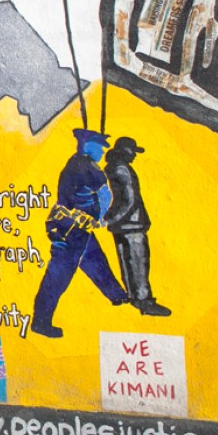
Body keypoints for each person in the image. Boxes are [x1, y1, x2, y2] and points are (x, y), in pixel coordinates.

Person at [31, 129, 130, 339]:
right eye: (100, 147)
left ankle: (118, 297)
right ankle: (40, 323)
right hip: (71, 229)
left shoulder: (77, 163)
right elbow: (104, 194)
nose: (103, 151)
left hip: (73, 227)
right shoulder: (84, 165)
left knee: (95, 261)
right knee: (58, 276)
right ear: (87, 146)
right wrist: (101, 218)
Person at [103, 136, 171, 318]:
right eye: (132, 152)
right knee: (138, 264)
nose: (134, 156)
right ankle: (144, 302)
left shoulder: (113, 167)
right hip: (131, 224)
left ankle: (135, 299)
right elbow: (129, 200)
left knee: (127, 264)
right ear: (124, 151)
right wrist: (112, 218)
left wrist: (111, 218)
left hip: (122, 225)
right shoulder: (122, 169)